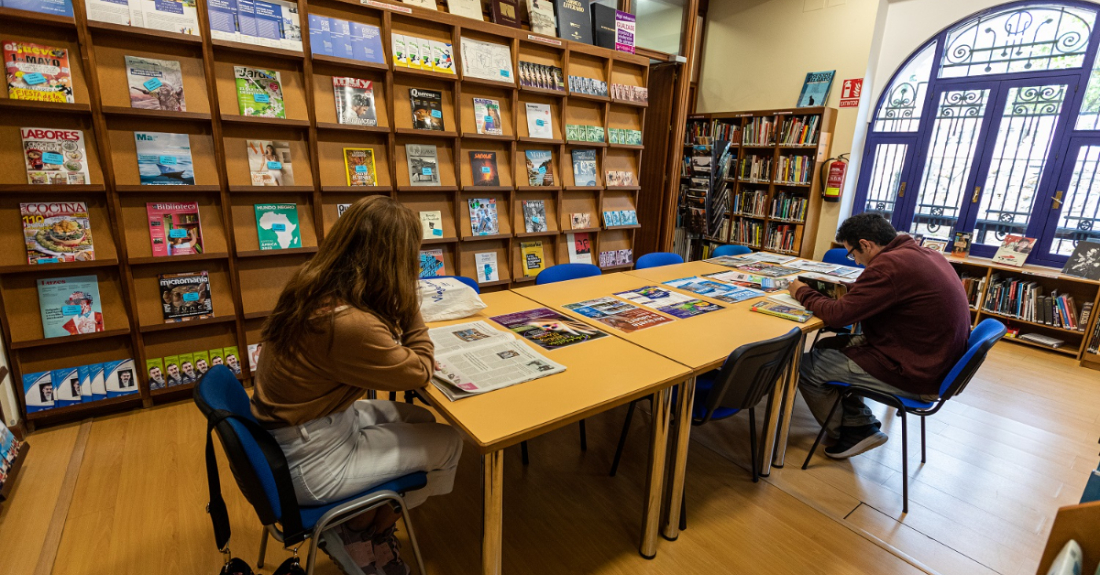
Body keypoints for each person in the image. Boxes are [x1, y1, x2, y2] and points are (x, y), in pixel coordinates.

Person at [252, 195, 462, 575]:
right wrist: (409, 297)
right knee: (449, 443)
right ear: (392, 262)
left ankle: (367, 521)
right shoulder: (349, 323)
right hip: (313, 458)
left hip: (297, 430)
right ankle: (360, 530)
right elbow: (420, 369)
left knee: (420, 417)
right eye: (410, 256)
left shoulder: (313, 283)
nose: (415, 263)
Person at [788, 213, 971, 459]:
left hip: (916, 373)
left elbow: (838, 317)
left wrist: (802, 292)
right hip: (932, 360)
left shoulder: (889, 267)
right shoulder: (920, 254)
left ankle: (855, 430)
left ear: (866, 244)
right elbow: (882, 291)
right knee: (830, 344)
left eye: (852, 254)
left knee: (804, 366)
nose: (856, 261)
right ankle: (856, 417)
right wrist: (841, 290)